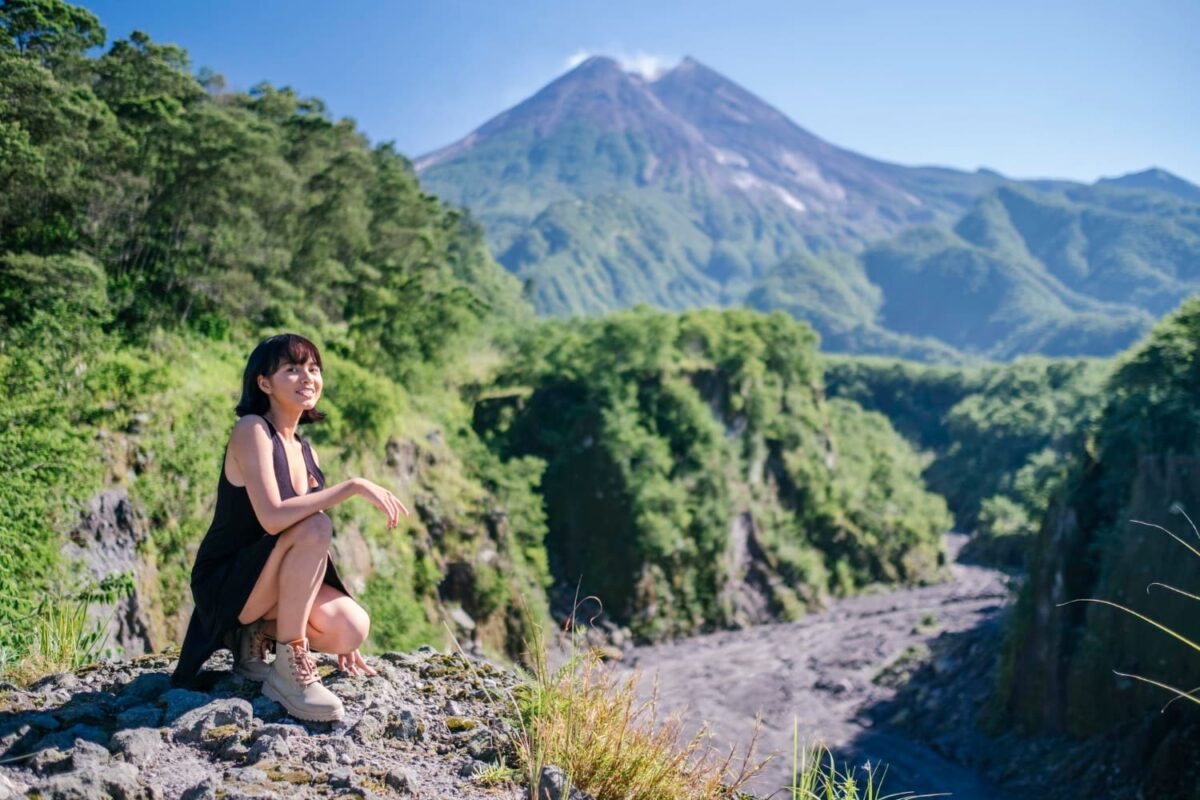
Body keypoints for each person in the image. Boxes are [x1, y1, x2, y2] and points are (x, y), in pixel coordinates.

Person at [171, 333, 409, 722]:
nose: (307, 377)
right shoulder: (252, 430)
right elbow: (274, 517)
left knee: (350, 627)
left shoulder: (305, 449)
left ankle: (253, 638)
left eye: (314, 369)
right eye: (292, 369)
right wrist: (351, 486)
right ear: (264, 383)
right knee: (316, 525)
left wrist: (328, 597)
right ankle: (289, 669)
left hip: (266, 580)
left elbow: (304, 549)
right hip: (227, 582)